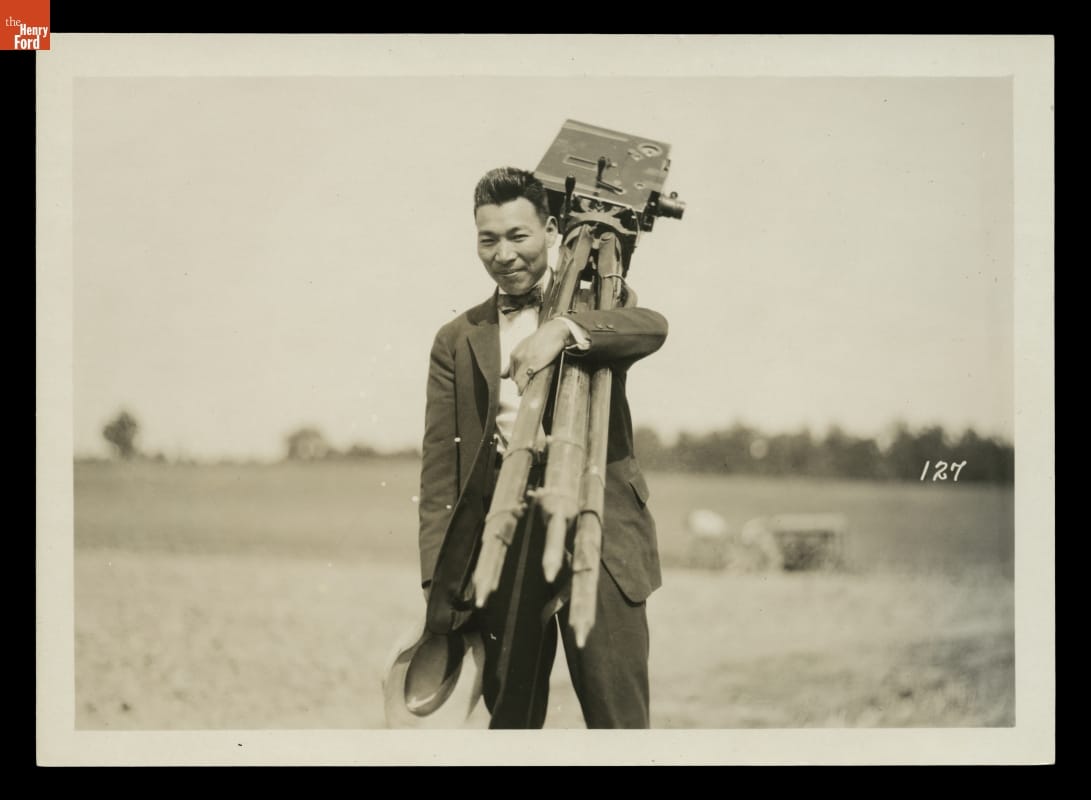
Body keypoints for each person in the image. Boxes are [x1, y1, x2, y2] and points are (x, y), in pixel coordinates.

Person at [417, 166, 667, 729]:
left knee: (619, 722)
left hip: (600, 530)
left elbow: (651, 326)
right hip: (506, 541)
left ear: (551, 229)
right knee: (513, 722)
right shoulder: (456, 340)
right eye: (488, 239)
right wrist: (440, 598)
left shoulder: (597, 296)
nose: (503, 254)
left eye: (518, 236)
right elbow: (440, 476)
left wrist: (561, 331)